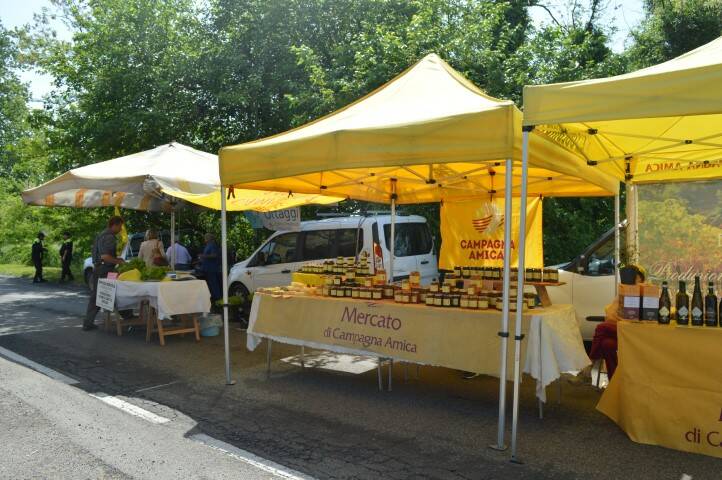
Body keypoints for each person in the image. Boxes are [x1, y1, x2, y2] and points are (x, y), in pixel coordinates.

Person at [588, 264, 645, 380]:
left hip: (634, 331)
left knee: (601, 328)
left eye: (635, 276)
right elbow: (611, 313)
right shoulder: (624, 290)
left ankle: (590, 365)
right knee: (607, 344)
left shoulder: (645, 290)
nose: (631, 278)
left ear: (641, 277)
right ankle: (614, 382)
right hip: (619, 330)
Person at [84, 216, 126, 331]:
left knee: (112, 291)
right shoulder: (109, 237)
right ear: (115, 225)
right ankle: (88, 323)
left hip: (102, 268)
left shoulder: (102, 234)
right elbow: (105, 256)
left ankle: (127, 314)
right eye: (120, 226)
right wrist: (119, 261)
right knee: (100, 294)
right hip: (105, 269)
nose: (121, 229)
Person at [199, 233, 222, 302]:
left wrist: (203, 256)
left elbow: (214, 255)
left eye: (205, 237)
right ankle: (214, 298)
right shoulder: (208, 245)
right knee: (211, 284)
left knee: (214, 284)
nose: (204, 239)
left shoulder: (212, 245)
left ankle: (218, 299)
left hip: (212, 268)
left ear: (209, 238)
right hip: (207, 268)